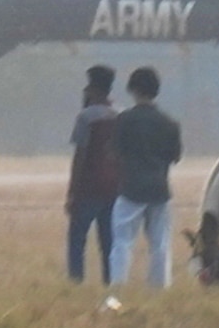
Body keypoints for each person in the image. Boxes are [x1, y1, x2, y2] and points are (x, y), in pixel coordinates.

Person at [110, 65, 185, 287]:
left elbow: (115, 152)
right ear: (156, 90)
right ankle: (159, 288)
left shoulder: (124, 120)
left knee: (123, 242)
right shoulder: (170, 123)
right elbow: (175, 156)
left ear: (133, 89)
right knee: (160, 244)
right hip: (159, 189)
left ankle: (118, 286)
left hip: (130, 189)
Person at [66, 65, 122, 282]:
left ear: (93, 88)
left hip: (88, 187)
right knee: (108, 242)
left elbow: (79, 156)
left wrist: (72, 192)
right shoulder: (120, 114)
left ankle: (76, 281)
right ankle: (110, 281)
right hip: (113, 188)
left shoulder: (86, 117)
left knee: (77, 240)